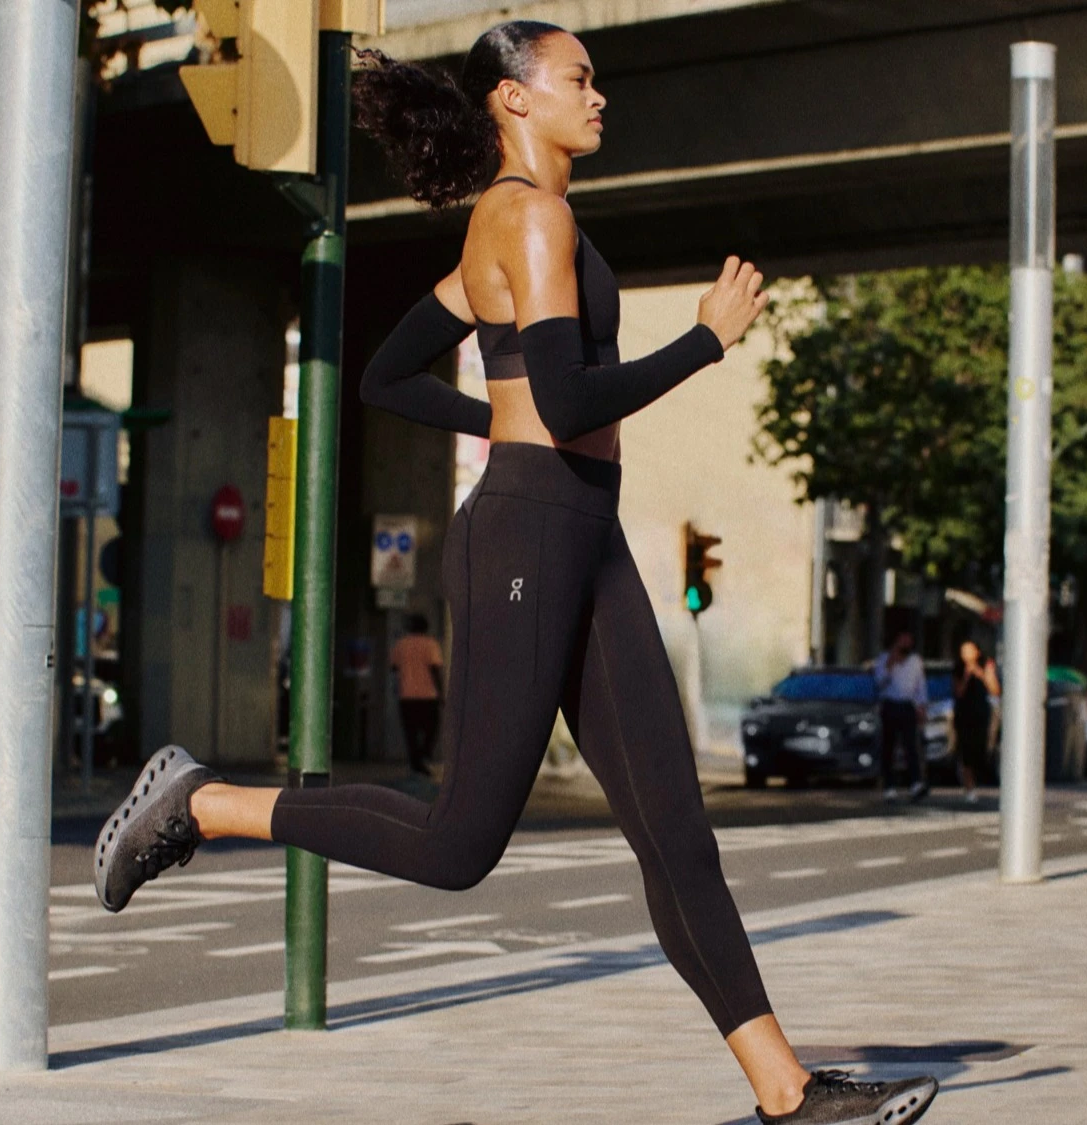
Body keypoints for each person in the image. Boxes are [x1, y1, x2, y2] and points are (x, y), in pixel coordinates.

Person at [89, 23, 936, 1125]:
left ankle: (787, 1094)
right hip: (530, 536)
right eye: (580, 79)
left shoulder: (513, 227)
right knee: (458, 845)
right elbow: (572, 400)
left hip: (584, 532)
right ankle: (204, 802)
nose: (600, 99)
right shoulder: (529, 217)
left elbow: (390, 378)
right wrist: (704, 343)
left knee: (675, 829)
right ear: (513, 100)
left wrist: (506, 418)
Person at [873, 628, 930, 803]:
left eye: (908, 640)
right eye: (902, 639)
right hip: (890, 704)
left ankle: (915, 784)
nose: (906, 643)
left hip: (907, 705)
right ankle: (889, 786)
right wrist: (891, 663)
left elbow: (920, 685)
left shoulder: (915, 661)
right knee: (888, 747)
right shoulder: (884, 659)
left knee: (910, 746)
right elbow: (879, 682)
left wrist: (921, 706)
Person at [389, 614, 444, 777]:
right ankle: (423, 756)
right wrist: (441, 693)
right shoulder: (431, 644)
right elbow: (435, 670)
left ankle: (416, 763)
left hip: (406, 695)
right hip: (428, 695)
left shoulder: (401, 645)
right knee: (431, 729)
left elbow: (393, 668)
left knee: (410, 732)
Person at [951, 639, 997, 804]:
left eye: (970, 650)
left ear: (977, 652)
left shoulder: (986, 665)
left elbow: (995, 689)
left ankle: (977, 779)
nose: (967, 655)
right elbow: (958, 691)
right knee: (965, 751)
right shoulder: (958, 668)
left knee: (980, 748)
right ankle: (969, 786)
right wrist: (966, 675)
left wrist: (980, 673)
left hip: (981, 712)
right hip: (964, 713)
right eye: (964, 651)